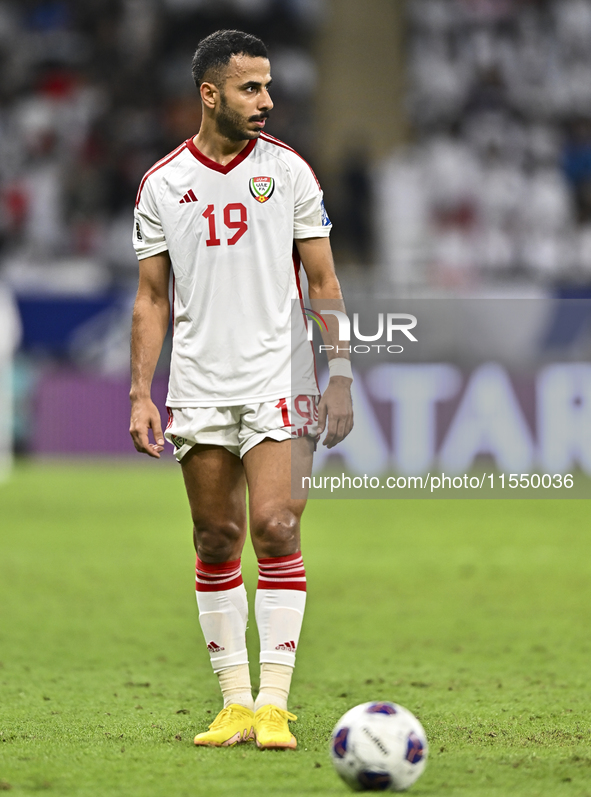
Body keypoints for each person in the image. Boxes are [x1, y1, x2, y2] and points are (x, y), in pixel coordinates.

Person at [129, 29, 353, 750]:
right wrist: (141, 391)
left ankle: (273, 703)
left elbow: (322, 281)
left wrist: (339, 372)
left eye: (267, 86)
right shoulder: (165, 183)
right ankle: (232, 703)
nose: (266, 100)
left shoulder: (288, 173)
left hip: (277, 376)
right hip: (199, 385)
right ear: (209, 93)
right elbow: (152, 298)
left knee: (278, 525)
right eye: (250, 87)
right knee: (215, 535)